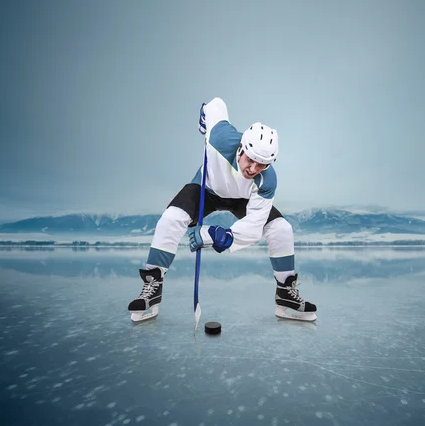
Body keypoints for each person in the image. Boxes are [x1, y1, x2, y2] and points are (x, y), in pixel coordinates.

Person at [127, 97, 317, 323]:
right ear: (243, 147)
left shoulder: (267, 181)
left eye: (262, 165)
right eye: (251, 160)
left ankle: (285, 295)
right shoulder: (219, 137)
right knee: (171, 219)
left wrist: (220, 236)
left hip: (243, 199)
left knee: (281, 229)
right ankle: (153, 287)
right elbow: (217, 104)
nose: (253, 169)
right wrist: (204, 115)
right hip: (206, 189)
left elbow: (255, 226)